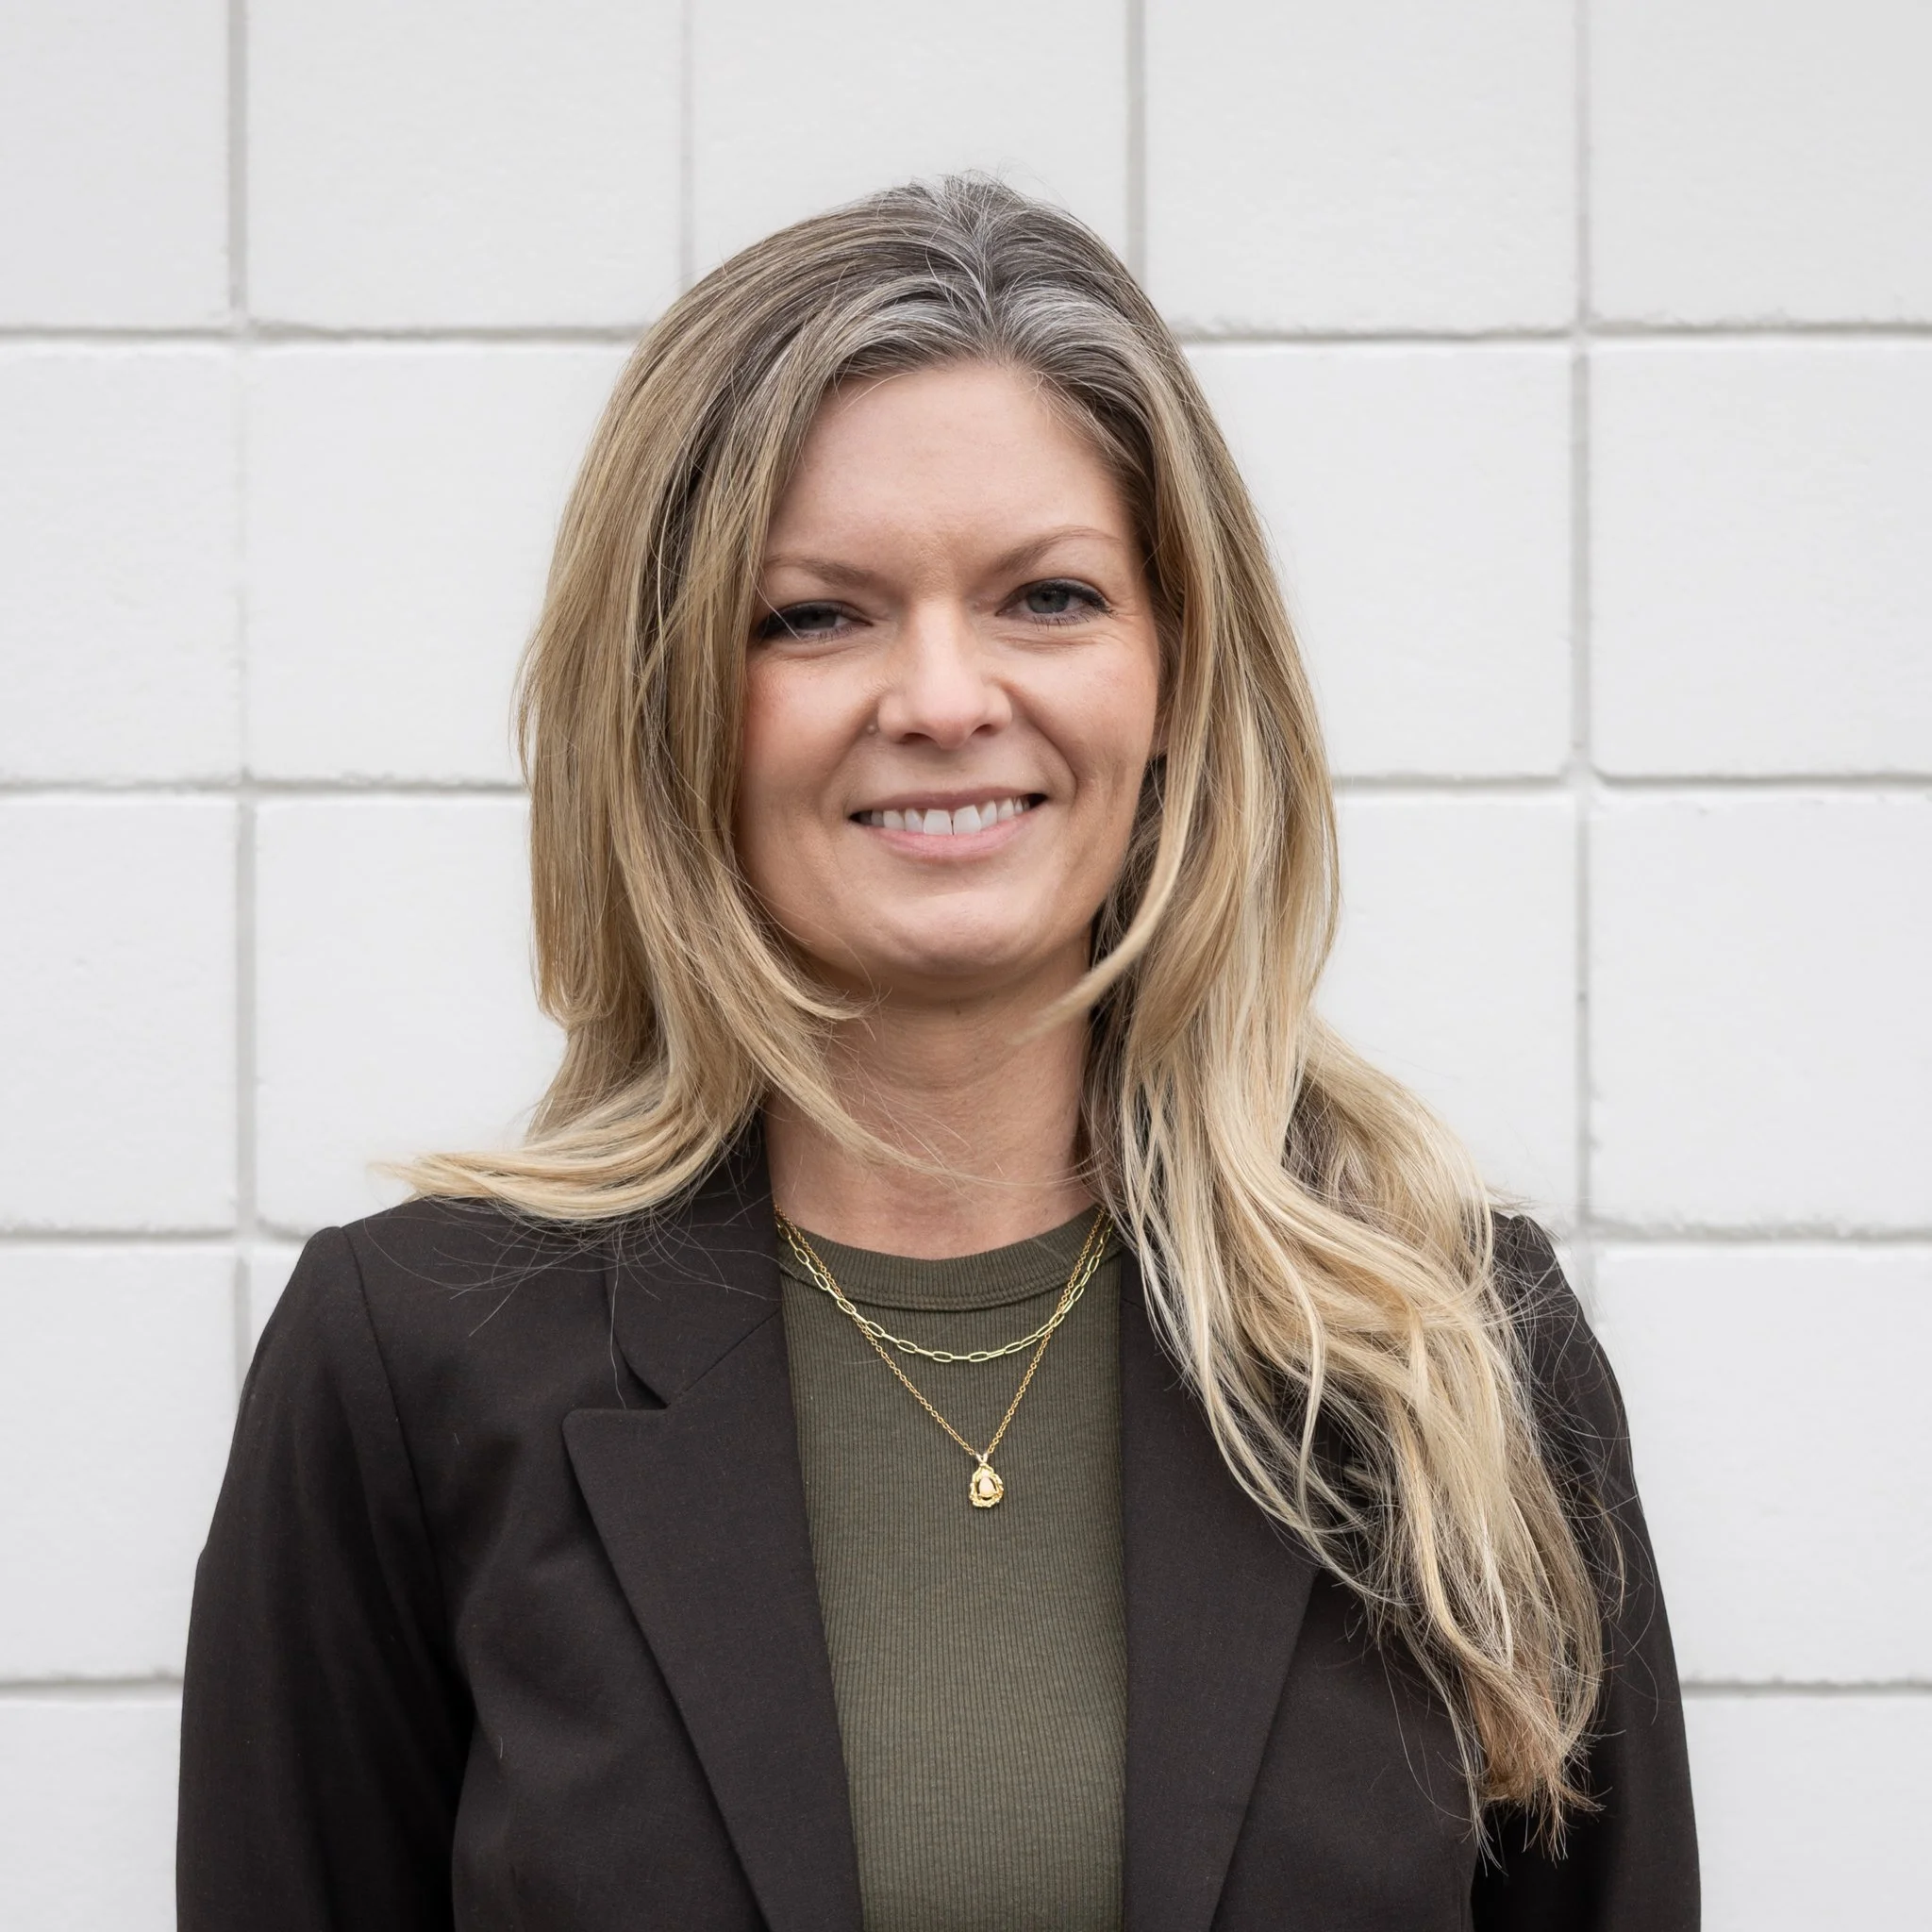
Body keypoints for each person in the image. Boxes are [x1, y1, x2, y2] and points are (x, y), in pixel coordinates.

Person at [177, 176, 1696, 1931]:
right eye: (816, 615)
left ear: (1179, 676)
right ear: (669, 694)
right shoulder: (412, 1366)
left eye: (1047, 598)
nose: (946, 696)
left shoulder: (1450, 1346)